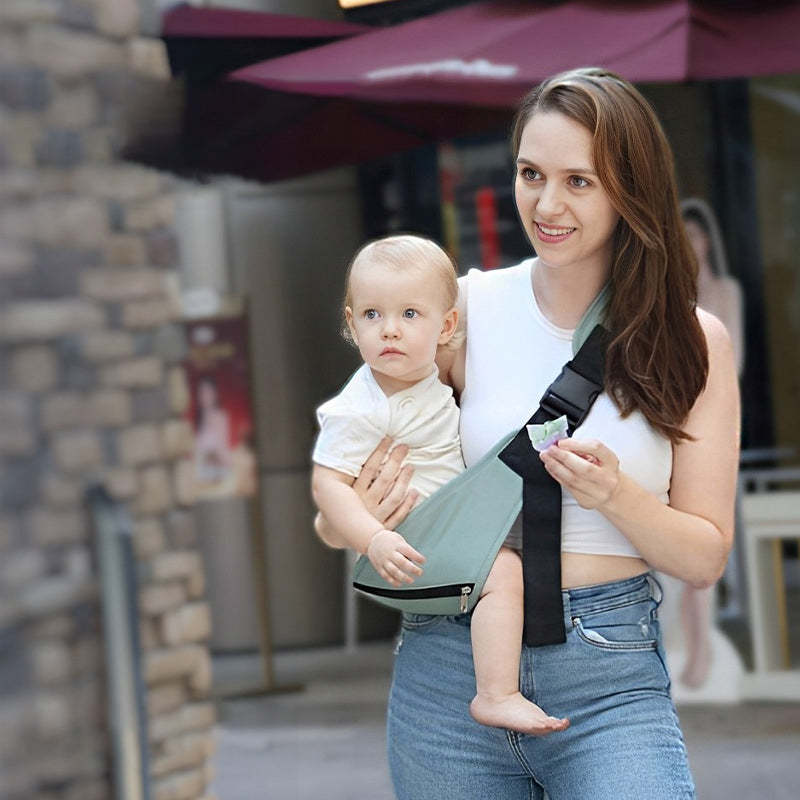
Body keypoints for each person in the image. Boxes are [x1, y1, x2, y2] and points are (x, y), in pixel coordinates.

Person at [315, 67, 739, 799]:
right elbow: (343, 492)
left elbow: (703, 558)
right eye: (531, 174)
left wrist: (616, 496)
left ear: (630, 189)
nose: (547, 204)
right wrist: (352, 519)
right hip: (450, 667)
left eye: (579, 182)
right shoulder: (461, 311)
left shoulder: (693, 341)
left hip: (608, 676)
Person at [311, 234, 569, 737]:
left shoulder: (430, 376)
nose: (389, 329)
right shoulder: (361, 407)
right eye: (372, 315)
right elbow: (329, 484)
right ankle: (496, 693)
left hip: (443, 526)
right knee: (505, 573)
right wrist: (373, 538)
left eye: (409, 314)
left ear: (447, 326)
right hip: (415, 540)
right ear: (351, 324)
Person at [661, 197, 745, 692]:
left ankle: (702, 651)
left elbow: (732, 362)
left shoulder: (725, 292)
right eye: (683, 236)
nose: (690, 243)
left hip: (713, 425)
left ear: (708, 239)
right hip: (672, 426)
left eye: (695, 234)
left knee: (708, 541)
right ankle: (685, 648)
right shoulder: (666, 294)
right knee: (679, 547)